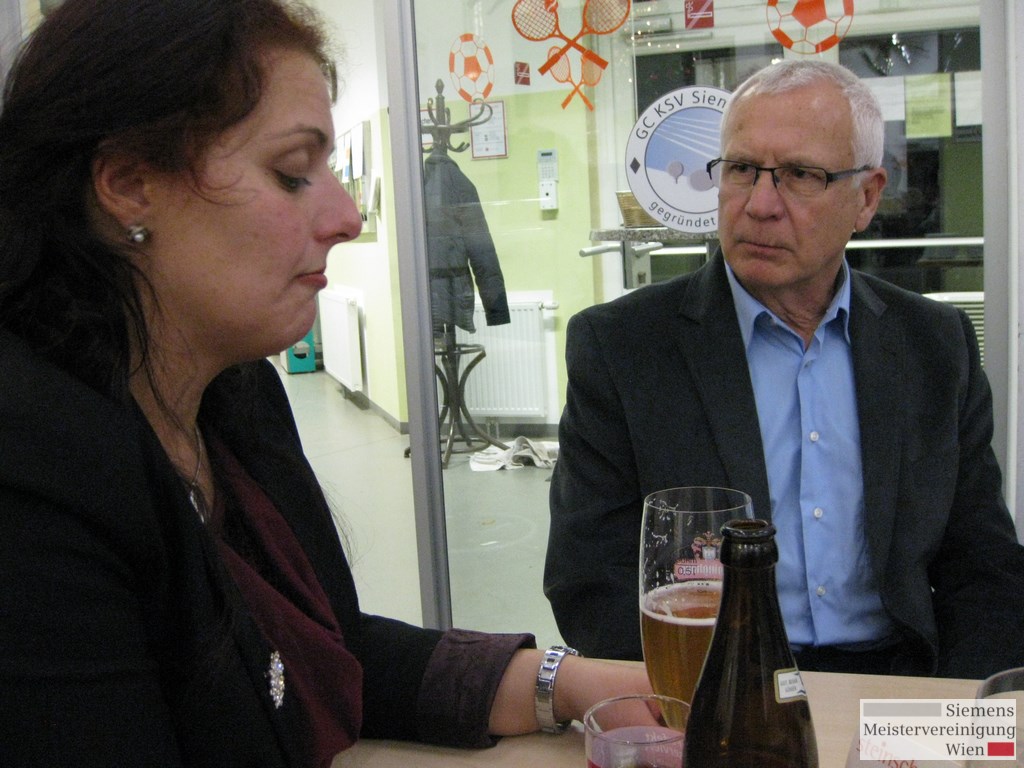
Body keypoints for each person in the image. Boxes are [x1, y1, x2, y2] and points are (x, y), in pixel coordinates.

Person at [0, 1, 651, 765]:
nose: (346, 215)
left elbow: (326, 652)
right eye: (292, 173)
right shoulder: (34, 475)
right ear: (128, 182)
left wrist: (568, 681)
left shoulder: (237, 400)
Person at [545, 59, 1024, 679]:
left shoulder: (934, 345)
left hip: (895, 676)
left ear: (867, 197)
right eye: (741, 169)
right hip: (710, 679)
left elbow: (982, 562)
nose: (760, 204)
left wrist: (959, 709)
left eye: (800, 175)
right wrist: (694, 704)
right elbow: (589, 579)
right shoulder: (624, 348)